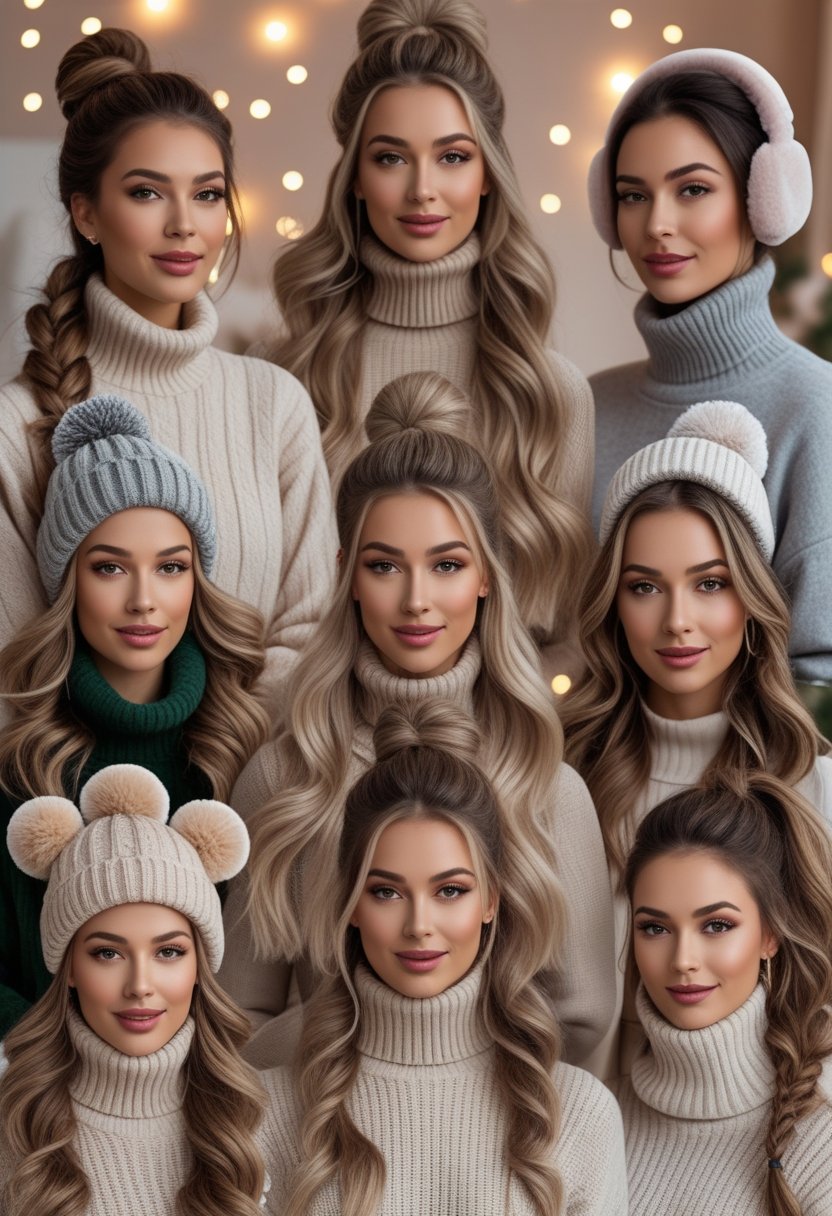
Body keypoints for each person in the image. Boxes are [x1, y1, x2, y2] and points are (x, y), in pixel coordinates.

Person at [220, 372, 615, 1070]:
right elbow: (239, 1024)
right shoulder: (285, 776)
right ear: (346, 574)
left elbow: (579, 1025)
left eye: (447, 565)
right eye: (384, 567)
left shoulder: (547, 786)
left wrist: (440, 1060)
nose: (416, 601)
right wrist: (357, 1031)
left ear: (486, 576)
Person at [0, 26, 336, 717]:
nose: (186, 225)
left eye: (208, 195)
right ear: (86, 214)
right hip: (71, 806)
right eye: (149, 194)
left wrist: (227, 777)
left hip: (259, 800)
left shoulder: (273, 404)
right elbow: (17, 675)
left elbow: (311, 634)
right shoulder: (16, 423)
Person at [255, 0, 594, 654]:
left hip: (503, 749)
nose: (422, 191)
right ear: (354, 177)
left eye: (452, 157)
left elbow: (569, 650)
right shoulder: (283, 376)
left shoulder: (552, 393)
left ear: (489, 173)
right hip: (313, 740)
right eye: (390, 158)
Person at [263, 700, 627, 1215]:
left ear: (491, 900)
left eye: (450, 891)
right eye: (386, 892)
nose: (419, 926)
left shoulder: (579, 1117)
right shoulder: (272, 1109)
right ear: (351, 904)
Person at [561, 399, 831, 1078]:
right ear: (614, 604)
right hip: (570, 1143)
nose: (677, 621)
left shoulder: (813, 789)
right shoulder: (563, 778)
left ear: (752, 594)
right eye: (645, 586)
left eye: (709, 584)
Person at [0, 394, 269, 1036]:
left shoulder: (245, 744)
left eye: (171, 568)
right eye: (111, 567)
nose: (144, 600)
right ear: (68, 578)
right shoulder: (26, 766)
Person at [586, 47, 832, 684]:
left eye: (692, 189)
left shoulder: (817, 407)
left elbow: (821, 683)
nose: (657, 224)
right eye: (632, 195)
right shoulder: (582, 408)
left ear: (763, 201)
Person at [0, 762, 277, 1216]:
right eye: (108, 954)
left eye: (169, 952)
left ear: (199, 965)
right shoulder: (14, 1124)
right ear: (68, 966)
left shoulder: (252, 1121)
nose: (140, 986)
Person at [618, 777, 832, 1215]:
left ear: (769, 934)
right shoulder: (592, 1116)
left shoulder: (821, 1144)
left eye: (716, 925)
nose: (683, 960)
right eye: (655, 928)